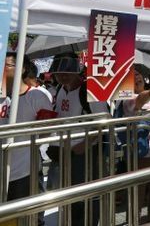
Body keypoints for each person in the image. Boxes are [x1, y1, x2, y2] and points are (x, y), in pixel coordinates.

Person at [46, 52, 108, 226]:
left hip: (85, 153)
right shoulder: (60, 90)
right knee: (70, 197)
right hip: (64, 152)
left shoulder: (89, 91)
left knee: (86, 198)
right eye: (58, 73)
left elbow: (105, 121)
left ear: (77, 71)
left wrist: (85, 143)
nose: (62, 76)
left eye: (67, 72)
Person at [1, 54, 50, 225]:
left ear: (21, 68)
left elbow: (47, 131)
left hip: (25, 169)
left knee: (27, 216)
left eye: (6, 65)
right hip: (2, 169)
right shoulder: (2, 98)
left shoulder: (37, 96)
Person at [114, 68, 150, 222]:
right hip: (140, 153)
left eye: (138, 75)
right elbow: (138, 102)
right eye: (131, 77)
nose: (136, 78)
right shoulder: (127, 98)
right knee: (138, 194)